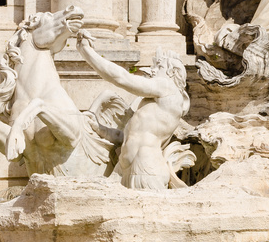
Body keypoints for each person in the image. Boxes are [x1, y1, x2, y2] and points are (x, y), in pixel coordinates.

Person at [77, 32, 194, 190]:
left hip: (146, 168)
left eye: (158, 67)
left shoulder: (168, 87)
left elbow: (122, 78)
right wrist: (100, 129)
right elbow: (124, 137)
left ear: (172, 73)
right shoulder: (149, 105)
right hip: (124, 169)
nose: (152, 71)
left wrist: (87, 52)